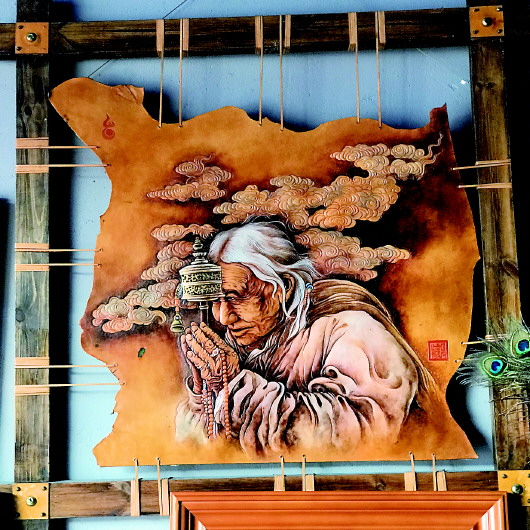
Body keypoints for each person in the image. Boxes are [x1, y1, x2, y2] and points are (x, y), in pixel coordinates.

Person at [176, 221, 439, 458]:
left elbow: (358, 435)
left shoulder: (351, 330)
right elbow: (195, 448)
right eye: (215, 301)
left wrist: (238, 387)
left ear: (284, 287)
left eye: (236, 297)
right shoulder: (241, 343)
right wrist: (206, 390)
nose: (223, 317)